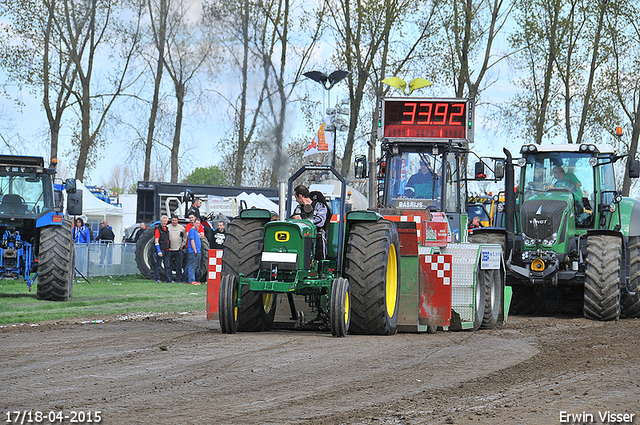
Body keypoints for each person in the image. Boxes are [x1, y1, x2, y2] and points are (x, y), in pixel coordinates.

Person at [291, 185, 329, 260]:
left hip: (316, 235)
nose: (296, 201)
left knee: (319, 238)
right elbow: (294, 219)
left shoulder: (320, 206)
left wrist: (302, 221)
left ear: (300, 196)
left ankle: (319, 265)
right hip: (301, 236)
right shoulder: (298, 208)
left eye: (296, 198)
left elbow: (320, 222)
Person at [167, 215, 187, 282]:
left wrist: (182, 245)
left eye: (175, 220)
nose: (174, 222)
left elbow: (185, 237)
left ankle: (178, 279)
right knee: (169, 265)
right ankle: (169, 279)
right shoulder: (168, 227)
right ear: (171, 220)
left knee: (179, 266)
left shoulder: (181, 228)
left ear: (177, 220)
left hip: (178, 249)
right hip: (169, 250)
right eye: (173, 220)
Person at [154, 215, 171, 283]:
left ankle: (168, 280)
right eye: (163, 221)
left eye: (166, 221)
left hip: (167, 250)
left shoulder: (167, 229)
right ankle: (157, 279)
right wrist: (158, 251)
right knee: (158, 265)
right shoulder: (158, 229)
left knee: (167, 265)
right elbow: (156, 240)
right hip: (161, 250)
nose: (165, 223)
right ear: (161, 221)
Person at [187, 217, 202, 285]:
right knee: (192, 266)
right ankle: (191, 280)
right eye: (197, 223)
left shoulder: (197, 231)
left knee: (196, 267)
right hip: (193, 252)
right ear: (194, 223)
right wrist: (195, 250)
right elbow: (192, 240)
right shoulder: (192, 230)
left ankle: (196, 280)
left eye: (199, 223)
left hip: (198, 251)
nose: (198, 225)